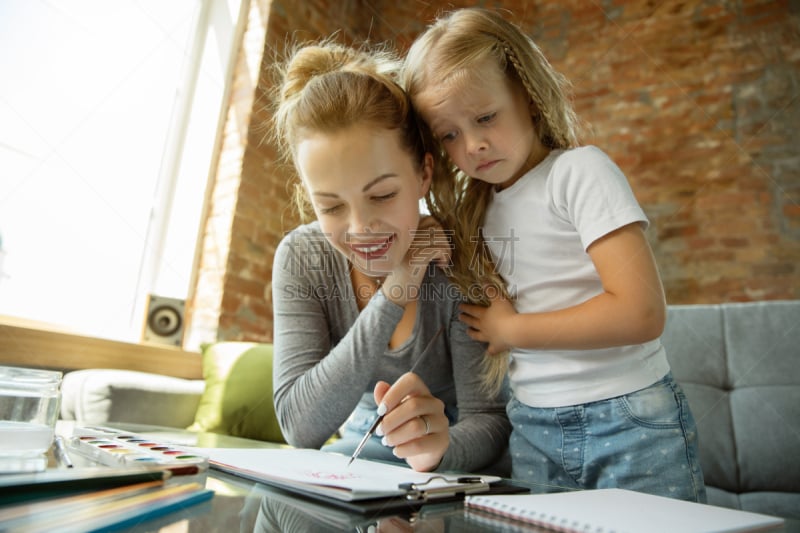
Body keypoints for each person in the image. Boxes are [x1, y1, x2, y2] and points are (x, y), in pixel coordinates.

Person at [402, 7, 706, 500]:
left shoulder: (580, 173)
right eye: (449, 135)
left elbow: (642, 311)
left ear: (527, 93)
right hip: (534, 423)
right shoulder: (477, 210)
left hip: (629, 415)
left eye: (485, 117)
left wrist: (513, 331)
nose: (474, 145)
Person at [270, 38, 510, 474]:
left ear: (424, 174)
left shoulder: (457, 258)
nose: (361, 229)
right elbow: (299, 426)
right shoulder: (302, 257)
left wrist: (438, 449)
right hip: (356, 458)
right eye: (331, 206)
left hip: (448, 463)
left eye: (381, 195)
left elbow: (489, 421)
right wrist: (397, 287)